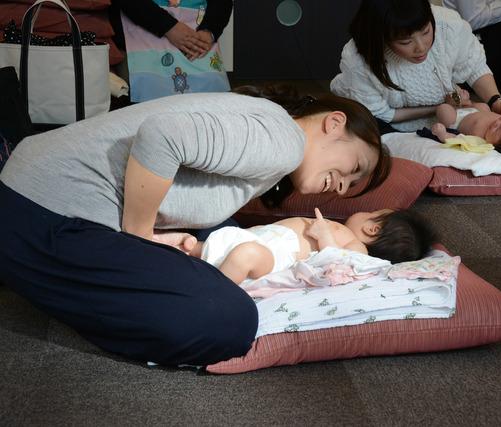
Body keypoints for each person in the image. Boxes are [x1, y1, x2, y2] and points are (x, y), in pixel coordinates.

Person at [0, 85, 391, 367]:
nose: (340, 186)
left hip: (28, 192)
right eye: (353, 169)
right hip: (43, 212)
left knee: (226, 231)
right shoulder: (283, 140)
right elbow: (162, 135)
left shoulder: (268, 127)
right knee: (231, 319)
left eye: (350, 187)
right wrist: (140, 239)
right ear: (334, 123)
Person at [330, 0, 501, 134]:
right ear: (382, 38)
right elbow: (383, 114)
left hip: (446, 113)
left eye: (426, 32)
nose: (421, 47)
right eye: (405, 42)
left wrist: (495, 101)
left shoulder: (448, 25)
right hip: (384, 118)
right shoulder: (358, 59)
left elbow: (474, 66)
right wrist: (439, 108)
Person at [193, 207, 436, 285]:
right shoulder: (347, 233)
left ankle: (212, 292)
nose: (365, 211)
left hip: (270, 257)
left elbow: (336, 261)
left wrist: (323, 236)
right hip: (250, 238)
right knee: (199, 246)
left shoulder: (356, 248)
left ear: (372, 229)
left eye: (372, 212)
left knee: (244, 255)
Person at [109, 0, 233, 102]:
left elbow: (222, 4)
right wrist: (169, 27)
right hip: (146, 22)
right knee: (152, 86)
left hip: (198, 30)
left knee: (211, 90)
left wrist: (209, 32)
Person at [430, 101, 501, 159]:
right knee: (484, 106)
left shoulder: (482, 143)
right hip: (476, 110)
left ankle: (455, 105)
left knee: (443, 109)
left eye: (498, 129)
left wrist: (443, 134)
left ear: (497, 146)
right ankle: (466, 103)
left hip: (456, 119)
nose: (498, 122)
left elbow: (460, 140)